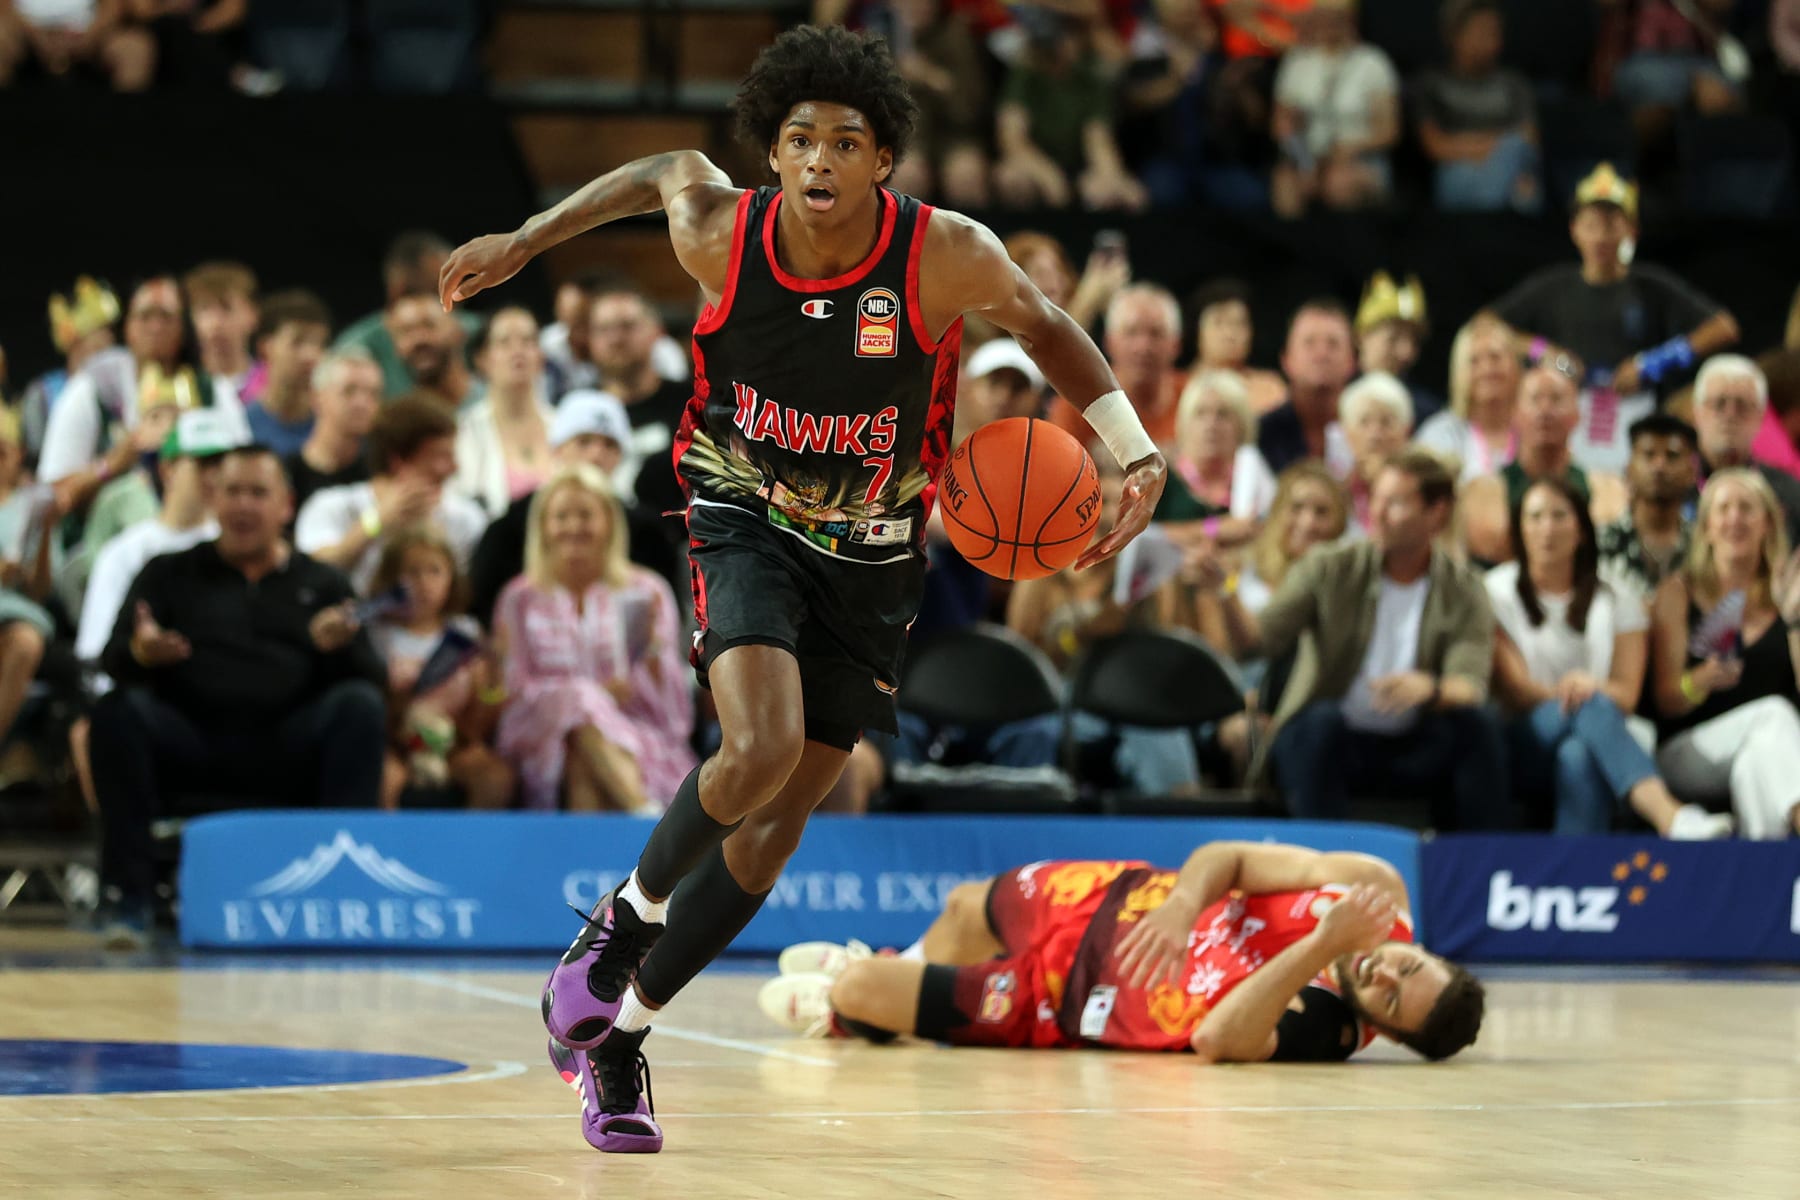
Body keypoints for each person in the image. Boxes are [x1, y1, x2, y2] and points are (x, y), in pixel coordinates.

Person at [439, 23, 1166, 1153]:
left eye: (845, 140)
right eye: (799, 138)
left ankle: (617, 1042)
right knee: (758, 747)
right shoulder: (720, 231)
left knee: (774, 834)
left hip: (875, 553)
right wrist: (530, 239)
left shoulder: (944, 253)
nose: (820, 158)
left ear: (884, 161)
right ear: (771, 155)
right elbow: (659, 172)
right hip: (743, 511)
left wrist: (1131, 449)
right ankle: (617, 926)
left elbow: (1049, 324)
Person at [761, 840, 1485, 1065]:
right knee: (960, 907)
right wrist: (1179, 907)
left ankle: (854, 1009)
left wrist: (1323, 946)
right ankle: (895, 961)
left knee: (859, 988)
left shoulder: (1323, 1027)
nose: (1385, 971)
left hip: (1066, 1001)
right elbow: (1229, 856)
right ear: (1424, 949)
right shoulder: (1375, 886)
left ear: (1383, 1031)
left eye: (1392, 997)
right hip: (1113, 900)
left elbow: (1217, 1038)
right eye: (1409, 965)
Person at [91, 446, 387, 938]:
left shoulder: (322, 581)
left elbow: (370, 679)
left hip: (287, 747)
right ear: (212, 499)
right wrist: (143, 654)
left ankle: (341, 899)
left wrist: (340, 649)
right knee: (117, 711)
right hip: (190, 741)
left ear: (286, 506)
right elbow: (112, 659)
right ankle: (128, 898)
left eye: (258, 492)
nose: (244, 505)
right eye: (232, 491)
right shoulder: (168, 573)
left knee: (359, 707)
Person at [1197, 448, 1509, 828]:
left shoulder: (1465, 588)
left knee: (1477, 726)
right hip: (1336, 742)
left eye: (1394, 502)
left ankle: (1482, 869)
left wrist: (1430, 689)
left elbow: (1470, 684)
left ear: (1436, 513)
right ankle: (1321, 866)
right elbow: (1256, 643)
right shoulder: (1330, 566)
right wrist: (1226, 591)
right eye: (1375, 498)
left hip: (1414, 743)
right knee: (1319, 724)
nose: (1376, 513)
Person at [1487, 477, 1731, 838]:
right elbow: (1517, 692)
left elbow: (1627, 697)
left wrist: (1591, 688)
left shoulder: (1618, 595)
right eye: (1535, 517)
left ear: (1582, 530)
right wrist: (1578, 692)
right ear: (1519, 528)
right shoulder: (1494, 590)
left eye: (1559, 516)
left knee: (1577, 755)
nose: (1547, 528)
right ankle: (1668, 815)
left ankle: (1574, 879)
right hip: (1522, 738)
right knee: (1590, 705)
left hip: (1595, 734)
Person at [1484, 164, 1738, 472]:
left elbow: (1723, 327)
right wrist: (1544, 352)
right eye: (1591, 225)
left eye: (1611, 224)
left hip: (1634, 411)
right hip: (1572, 412)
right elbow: (1484, 325)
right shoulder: (1555, 286)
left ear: (1631, 230)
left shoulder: (1648, 285)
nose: (1601, 236)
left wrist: (1653, 362)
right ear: (1574, 230)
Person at [492, 465, 694, 815]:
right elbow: (515, 689)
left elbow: (672, 705)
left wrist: (650, 661)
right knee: (580, 704)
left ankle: (597, 859)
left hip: (635, 734)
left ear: (609, 523)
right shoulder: (518, 598)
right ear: (543, 526)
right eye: (561, 516)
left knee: (583, 752)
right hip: (541, 736)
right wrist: (592, 696)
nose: (574, 527)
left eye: (585, 515)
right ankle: (643, 818)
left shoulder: (647, 592)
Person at [1649, 469, 1800, 840]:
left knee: (1754, 763)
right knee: (1773, 714)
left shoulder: (1788, 592)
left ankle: (1764, 880)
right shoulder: (1678, 592)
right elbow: (1666, 700)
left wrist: (1794, 620)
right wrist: (1698, 681)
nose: (1735, 518)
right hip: (1687, 751)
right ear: (1705, 527)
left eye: (1747, 508)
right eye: (1724, 509)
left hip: (1766, 749)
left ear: (1768, 522)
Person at [467, 389, 682, 626]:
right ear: (557, 448)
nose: (596, 453)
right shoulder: (514, 524)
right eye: (584, 441)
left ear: (620, 456)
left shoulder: (646, 532)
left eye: (609, 444)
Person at [39, 275, 248, 516]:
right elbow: (52, 495)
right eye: (145, 316)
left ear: (183, 326)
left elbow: (243, 470)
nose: (156, 327)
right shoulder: (92, 389)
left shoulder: (211, 390)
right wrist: (119, 459)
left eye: (166, 316)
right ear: (128, 327)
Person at [75, 408, 237, 680]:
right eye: (203, 464)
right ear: (167, 469)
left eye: (222, 465)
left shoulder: (235, 547)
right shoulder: (124, 551)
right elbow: (95, 650)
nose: (214, 477)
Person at [366, 530, 512, 811]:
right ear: (390, 579)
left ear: (451, 579)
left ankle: (469, 850)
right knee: (382, 776)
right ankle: (391, 851)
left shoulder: (465, 635)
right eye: (412, 572)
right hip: (396, 746)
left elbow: (479, 725)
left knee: (495, 777)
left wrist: (494, 677)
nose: (423, 584)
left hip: (453, 744)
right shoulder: (377, 634)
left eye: (434, 571)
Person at [295, 395, 488, 595]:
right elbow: (311, 576)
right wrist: (376, 522)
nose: (453, 468)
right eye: (440, 456)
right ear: (398, 460)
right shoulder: (331, 506)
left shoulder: (466, 518)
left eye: (452, 455)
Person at [1461, 363, 1628, 565]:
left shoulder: (1608, 490)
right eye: (1535, 399)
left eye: (1556, 400)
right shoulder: (1481, 493)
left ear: (1577, 415)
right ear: (1515, 414)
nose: (1545, 410)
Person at [1270, 0, 1400, 218]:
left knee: (1338, 182)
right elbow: (1282, 126)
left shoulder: (1372, 62)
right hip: (1308, 156)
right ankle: (1293, 249)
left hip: (1360, 157)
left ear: (1350, 20)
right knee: (1285, 182)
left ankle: (1348, 248)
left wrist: (1352, 147)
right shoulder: (1298, 62)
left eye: (1335, 18)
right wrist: (1304, 162)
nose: (1328, 24)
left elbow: (1390, 131)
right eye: (1323, 17)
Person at [1414, 0, 1540, 214]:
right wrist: (1492, 148)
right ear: (1454, 35)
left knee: (1523, 177)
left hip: (1513, 167)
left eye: (1495, 33)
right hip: (1457, 171)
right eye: (1481, 32)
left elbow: (1529, 139)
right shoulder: (1433, 84)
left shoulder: (1514, 84)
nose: (1491, 42)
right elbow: (1434, 145)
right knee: (1511, 176)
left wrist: (1493, 151)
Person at [1046, 284, 1186, 451]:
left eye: (1156, 333)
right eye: (1131, 332)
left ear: (1176, 344)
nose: (1143, 347)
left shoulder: (1199, 399)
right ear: (1109, 342)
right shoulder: (1077, 403)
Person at [454, 307, 555, 517]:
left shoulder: (562, 424)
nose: (518, 351)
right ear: (482, 359)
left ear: (541, 356)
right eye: (504, 342)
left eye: (528, 341)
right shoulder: (463, 431)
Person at [1154, 369, 1275, 544]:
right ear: (1184, 423)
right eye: (1200, 413)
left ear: (1241, 425)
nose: (1211, 424)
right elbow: (1145, 537)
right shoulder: (1162, 480)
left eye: (1223, 414)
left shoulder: (1256, 479)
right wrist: (1217, 529)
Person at [1690, 354, 1800, 544]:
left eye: (1742, 406)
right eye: (1719, 404)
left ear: (1760, 416)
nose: (1730, 415)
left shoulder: (1787, 492)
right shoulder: (1673, 485)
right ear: (1697, 413)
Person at [20, 276, 118, 472]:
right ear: (75, 341)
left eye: (109, 332)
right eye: (100, 333)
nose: (109, 340)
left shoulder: (115, 387)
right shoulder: (42, 393)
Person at [1598, 413, 1698, 604]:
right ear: (1628, 469)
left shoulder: (1702, 547)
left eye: (1672, 456)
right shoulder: (1600, 543)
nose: (1659, 466)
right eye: (1648, 455)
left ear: (1692, 472)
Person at [1415, 313, 1522, 483]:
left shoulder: (1536, 430)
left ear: (1515, 365)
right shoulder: (1440, 435)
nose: (1487, 369)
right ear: (1459, 373)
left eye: (1495, 357)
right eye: (1474, 361)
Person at [1258, 299, 1358, 474]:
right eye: (1309, 343)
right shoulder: (1260, 435)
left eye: (1333, 344)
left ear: (1352, 362)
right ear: (1286, 360)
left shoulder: (1372, 433)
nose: (1321, 354)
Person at [285, 349, 379, 514]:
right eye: (349, 391)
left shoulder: (381, 470)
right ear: (316, 397)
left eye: (373, 394)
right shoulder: (287, 474)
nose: (362, 403)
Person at [243, 289, 333, 456]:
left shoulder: (337, 427)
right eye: (297, 342)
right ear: (265, 348)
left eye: (319, 343)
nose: (311, 355)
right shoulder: (242, 428)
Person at [0, 0, 156, 91]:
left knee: (135, 49)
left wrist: (91, 35)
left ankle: (124, 130)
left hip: (94, 34)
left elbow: (115, 5)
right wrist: (37, 37)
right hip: (24, 32)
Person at [1188, 278, 1286, 415]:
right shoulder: (1175, 388)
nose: (1230, 334)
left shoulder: (1269, 389)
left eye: (1238, 323)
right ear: (1198, 331)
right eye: (1219, 323)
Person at [1354, 271, 1441, 424]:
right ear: (1361, 337)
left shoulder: (1427, 415)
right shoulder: (1330, 401)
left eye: (1414, 341)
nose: (1406, 353)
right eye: (1393, 339)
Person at [1337, 371, 1413, 535]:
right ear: (1347, 433)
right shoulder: (1335, 492)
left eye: (1386, 422)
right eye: (1364, 422)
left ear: (1406, 432)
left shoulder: (1419, 493)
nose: (1375, 435)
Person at [183, 262, 260, 398]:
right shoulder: (182, 388)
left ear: (252, 315)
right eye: (204, 308)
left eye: (226, 308)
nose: (215, 323)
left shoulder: (271, 386)